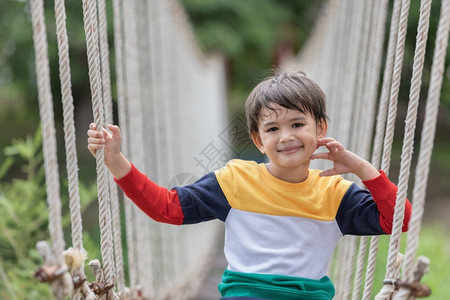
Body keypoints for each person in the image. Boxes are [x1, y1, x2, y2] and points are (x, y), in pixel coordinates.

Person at [87, 70, 412, 300]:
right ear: (258, 140)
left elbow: (400, 219)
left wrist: (362, 170)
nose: (285, 137)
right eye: (272, 129)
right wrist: (116, 161)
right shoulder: (235, 181)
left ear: (321, 127)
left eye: (297, 124)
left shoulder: (336, 193)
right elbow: (166, 208)